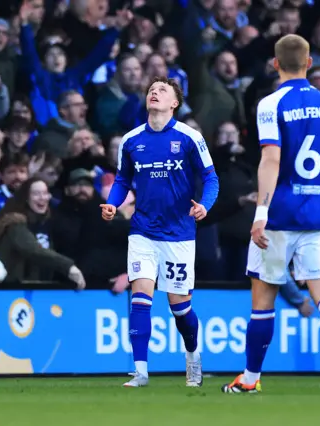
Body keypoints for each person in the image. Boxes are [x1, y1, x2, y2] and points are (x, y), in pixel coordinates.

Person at [221, 34, 320, 394]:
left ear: (275, 63)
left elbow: (271, 159)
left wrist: (260, 213)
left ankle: (250, 379)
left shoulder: (271, 103)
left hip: (280, 215)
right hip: (316, 215)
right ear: (310, 63)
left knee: (263, 299)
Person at [100, 76, 219, 388]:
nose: (154, 92)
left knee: (180, 307)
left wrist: (204, 205)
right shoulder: (131, 140)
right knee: (140, 298)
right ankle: (140, 371)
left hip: (179, 233)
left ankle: (193, 357)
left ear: (174, 103)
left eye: (162, 90)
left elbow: (211, 178)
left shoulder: (190, 137)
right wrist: (113, 204)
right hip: (142, 230)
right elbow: (123, 180)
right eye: (151, 89)